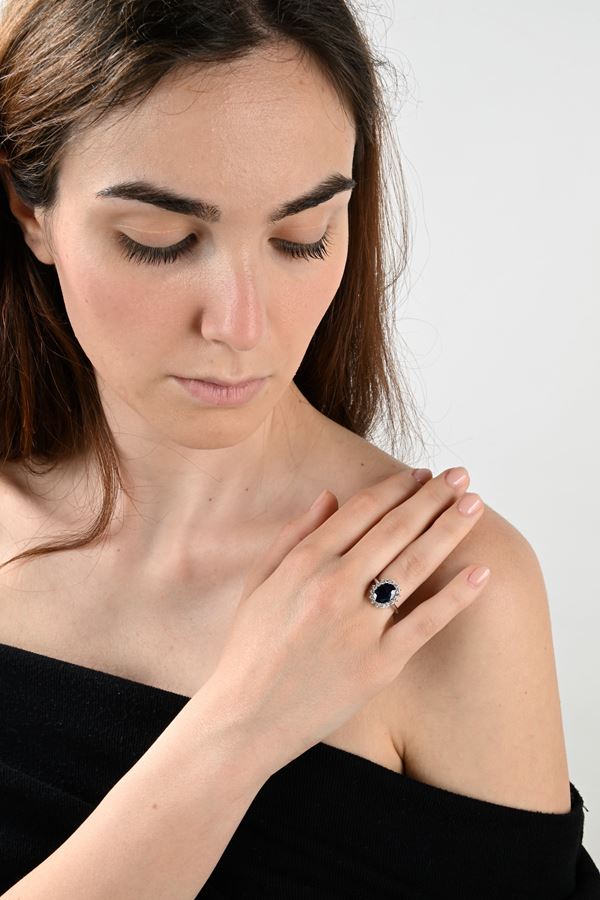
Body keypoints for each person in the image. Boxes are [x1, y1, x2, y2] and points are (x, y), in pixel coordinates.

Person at [0, 1, 598, 897]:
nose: (240, 325)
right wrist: (245, 725)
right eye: (159, 241)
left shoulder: (451, 591)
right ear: (31, 210)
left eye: (301, 238)